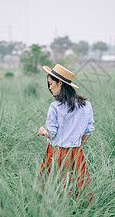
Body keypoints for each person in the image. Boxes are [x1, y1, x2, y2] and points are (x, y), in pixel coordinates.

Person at [37, 64, 94, 205]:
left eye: (51, 84)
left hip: (56, 153)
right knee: (76, 186)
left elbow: (51, 133)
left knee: (51, 186)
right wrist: (76, 145)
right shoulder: (86, 105)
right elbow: (88, 131)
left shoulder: (55, 107)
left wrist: (42, 130)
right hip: (76, 152)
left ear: (60, 83)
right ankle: (78, 213)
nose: (50, 88)